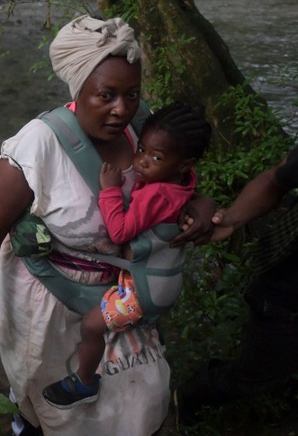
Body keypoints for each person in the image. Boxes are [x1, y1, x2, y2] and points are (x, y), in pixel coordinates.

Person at [0, 15, 214, 436]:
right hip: (50, 292)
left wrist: (202, 207)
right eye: (107, 96)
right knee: (38, 380)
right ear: (79, 86)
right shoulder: (36, 147)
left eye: (133, 94)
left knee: (146, 388)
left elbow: (181, 181)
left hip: (122, 289)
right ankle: (24, 433)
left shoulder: (147, 132)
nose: (123, 109)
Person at [42, 103, 212, 408]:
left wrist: (109, 190)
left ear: (184, 164)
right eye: (143, 150)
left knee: (91, 326)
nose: (143, 162)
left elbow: (119, 232)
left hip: (143, 290)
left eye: (155, 157)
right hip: (157, 278)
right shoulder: (181, 182)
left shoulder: (155, 194)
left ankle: (84, 383)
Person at [173, 126, 298, 428]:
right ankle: (188, 398)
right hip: (296, 301)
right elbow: (276, 179)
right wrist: (231, 219)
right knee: (252, 377)